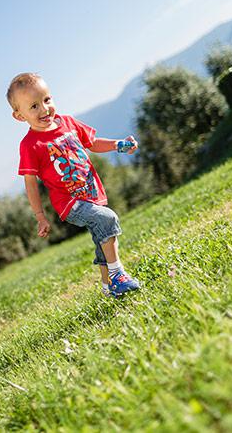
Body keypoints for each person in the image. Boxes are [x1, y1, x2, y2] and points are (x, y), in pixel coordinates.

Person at [8, 72, 141, 297]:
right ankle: (119, 275)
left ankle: (109, 287)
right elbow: (30, 183)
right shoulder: (30, 145)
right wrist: (40, 216)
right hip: (69, 203)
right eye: (33, 106)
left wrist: (118, 145)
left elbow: (93, 142)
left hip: (91, 193)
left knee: (102, 237)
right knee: (107, 218)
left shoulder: (68, 122)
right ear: (19, 116)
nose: (44, 109)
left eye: (47, 100)